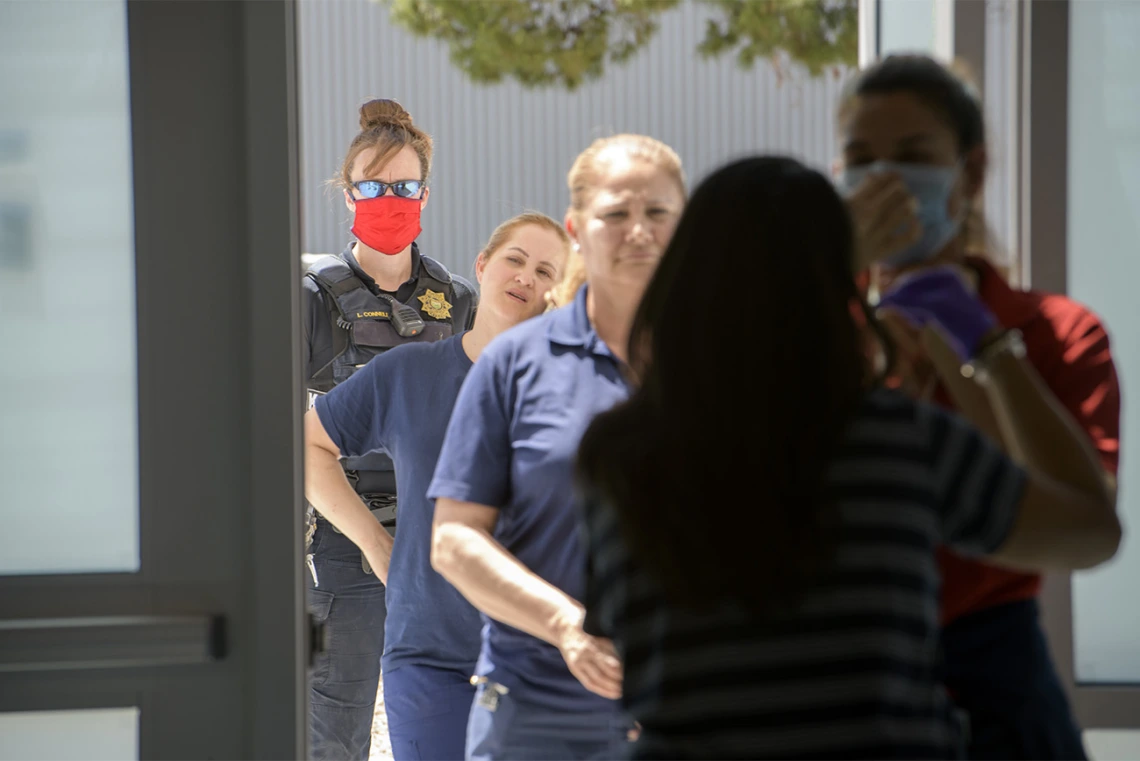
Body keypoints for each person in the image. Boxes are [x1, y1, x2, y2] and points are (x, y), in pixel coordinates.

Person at [575, 155, 1121, 760]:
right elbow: (1090, 532)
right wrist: (991, 348)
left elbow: (627, 633)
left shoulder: (616, 455)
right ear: (833, 290)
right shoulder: (898, 441)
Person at [836, 54, 1121, 759]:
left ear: (972, 172)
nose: (884, 180)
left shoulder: (1052, 330)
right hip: (843, 667)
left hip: (998, 677)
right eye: (861, 159)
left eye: (913, 157)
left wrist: (978, 350)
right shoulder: (814, 321)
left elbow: (1081, 518)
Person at [427, 134, 687, 761]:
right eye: (616, 214)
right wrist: (566, 626)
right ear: (577, 229)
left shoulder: (719, 369)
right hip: (531, 714)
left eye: (658, 214)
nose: (639, 232)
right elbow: (453, 541)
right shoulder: (515, 363)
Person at [304, 211, 570, 761]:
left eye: (546, 271)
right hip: (429, 655)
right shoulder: (408, 373)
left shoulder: (573, 389)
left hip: (539, 657)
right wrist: (376, 544)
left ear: (558, 294)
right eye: (514, 260)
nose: (525, 277)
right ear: (483, 266)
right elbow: (308, 447)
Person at [302, 97, 476, 761]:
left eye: (404, 186)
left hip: (441, 541)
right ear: (349, 194)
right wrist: (374, 543)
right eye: (373, 187)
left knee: (446, 722)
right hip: (347, 540)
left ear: (425, 193)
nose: (389, 199)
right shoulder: (312, 297)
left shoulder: (457, 300)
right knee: (335, 731)